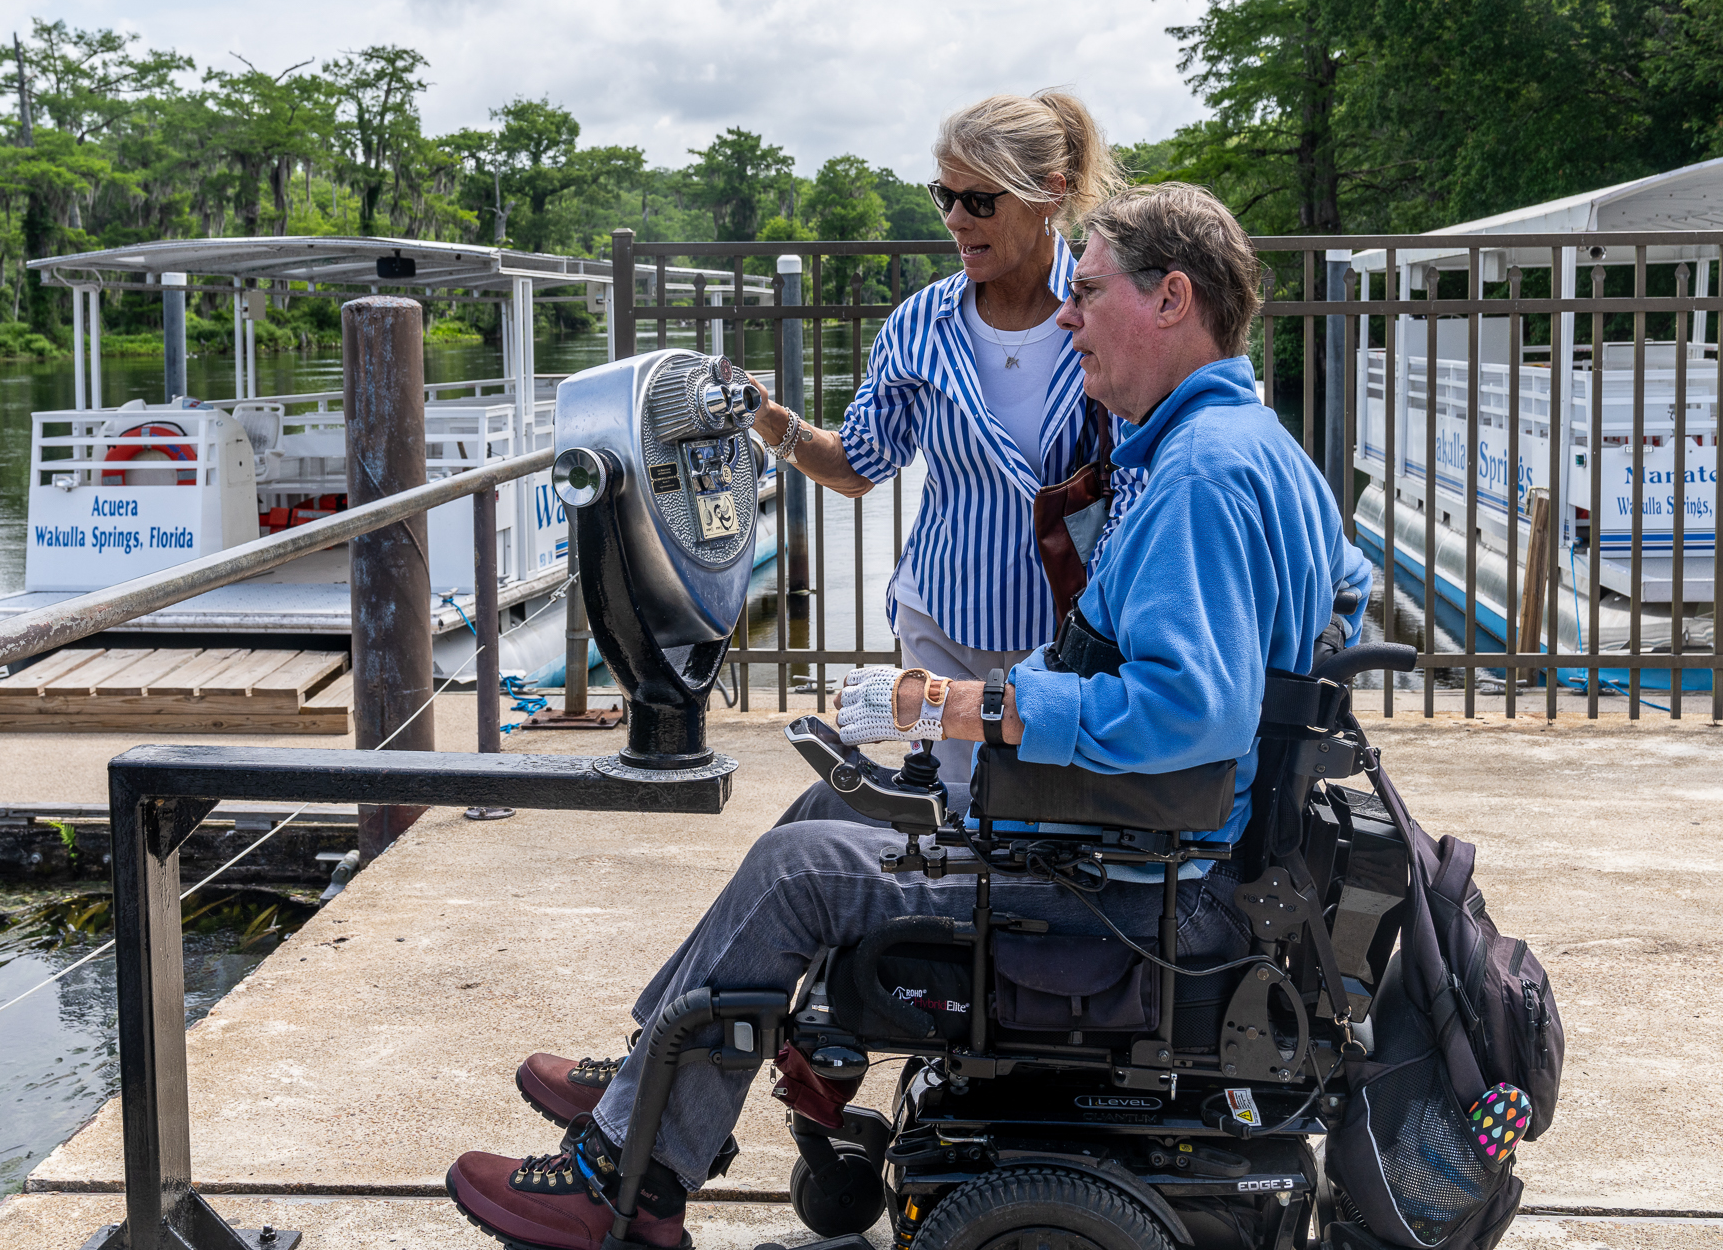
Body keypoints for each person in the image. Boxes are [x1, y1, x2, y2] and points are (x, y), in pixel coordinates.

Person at [446, 183, 1372, 1250]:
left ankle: (628, 1180)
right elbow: (1345, 590)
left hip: (1143, 886)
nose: (1068, 317)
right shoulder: (1259, 445)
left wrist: (962, 701)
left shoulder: (1203, 473)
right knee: (814, 811)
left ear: (1171, 300)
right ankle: (654, 1071)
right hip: (1165, 850)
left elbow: (1190, 710)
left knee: (801, 875)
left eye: (1087, 292)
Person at [745, 90, 1135, 782]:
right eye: (944, 196)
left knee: (1052, 825)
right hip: (942, 621)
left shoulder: (1103, 314)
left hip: (1069, 635)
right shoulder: (919, 324)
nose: (956, 219)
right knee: (955, 820)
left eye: (979, 200)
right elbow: (857, 464)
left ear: (1048, 194)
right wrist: (767, 419)